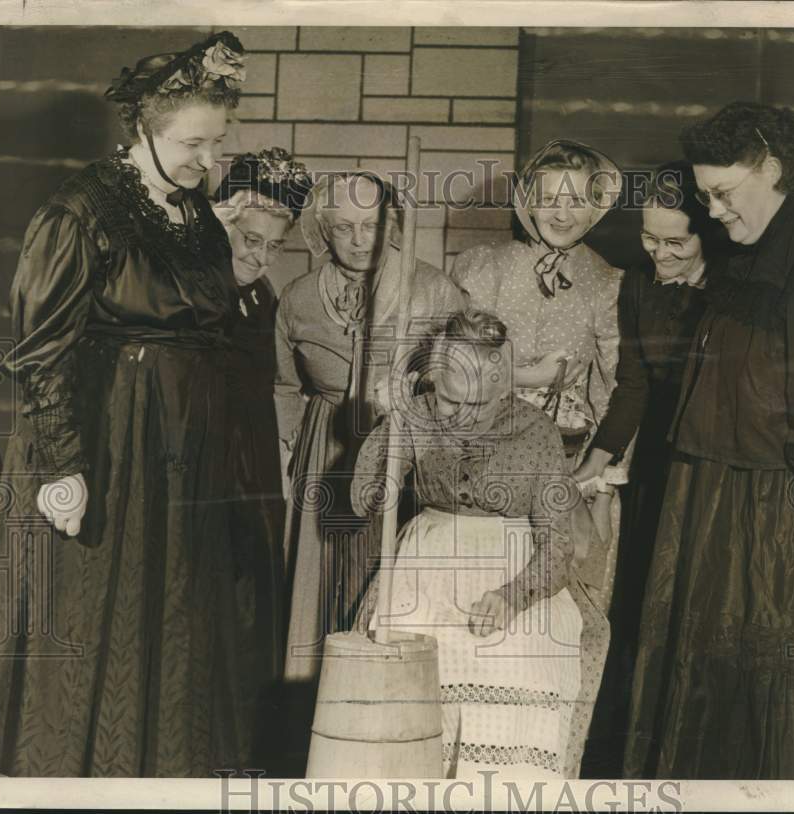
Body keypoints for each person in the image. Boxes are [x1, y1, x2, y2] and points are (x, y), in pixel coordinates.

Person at [0, 32, 254, 777]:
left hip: (183, 443)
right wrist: (64, 467)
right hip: (107, 437)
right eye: (194, 143)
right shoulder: (80, 211)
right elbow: (40, 351)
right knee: (97, 607)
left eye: (217, 144)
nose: (208, 161)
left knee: (177, 609)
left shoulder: (196, 217)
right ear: (146, 130)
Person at [624, 102, 794, 778]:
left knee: (780, 680)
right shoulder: (756, 244)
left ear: (772, 169)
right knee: (710, 677)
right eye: (705, 195)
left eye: (723, 192)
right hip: (718, 488)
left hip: (782, 499)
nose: (713, 210)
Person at [451, 139, 628, 774]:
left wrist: (602, 471)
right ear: (526, 198)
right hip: (481, 472)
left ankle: (542, 773)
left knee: (557, 630)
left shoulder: (608, 280)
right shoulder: (478, 267)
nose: (562, 211)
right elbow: (446, 366)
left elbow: (616, 381)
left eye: (579, 199)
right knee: (479, 625)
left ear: (599, 205)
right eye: (549, 197)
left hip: (570, 469)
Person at [351, 309, 584, 780]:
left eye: (470, 404)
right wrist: (385, 434)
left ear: (501, 384)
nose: (453, 415)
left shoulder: (536, 429)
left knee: (515, 663)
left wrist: (513, 597)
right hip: (425, 568)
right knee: (409, 671)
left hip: (515, 578)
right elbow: (363, 502)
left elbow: (559, 542)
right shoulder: (417, 414)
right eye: (446, 398)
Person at [275, 171, 466, 682]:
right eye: (344, 228)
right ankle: (308, 700)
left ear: (395, 224)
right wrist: (285, 455)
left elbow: (465, 384)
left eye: (372, 225)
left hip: (403, 449)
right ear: (323, 231)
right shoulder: (296, 298)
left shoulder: (434, 291)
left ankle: (379, 693)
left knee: (384, 581)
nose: (361, 240)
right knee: (318, 578)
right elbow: (282, 387)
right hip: (323, 448)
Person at [572, 161, 725, 771]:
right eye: (648, 238)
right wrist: (591, 466)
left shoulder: (735, 287)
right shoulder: (638, 285)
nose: (658, 252)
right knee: (642, 599)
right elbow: (632, 386)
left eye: (675, 242)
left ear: (706, 236)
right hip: (657, 461)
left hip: (714, 459)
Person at [211, 147, 312, 764]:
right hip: (202, 464)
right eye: (249, 239)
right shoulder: (191, 289)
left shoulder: (264, 295)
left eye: (273, 245)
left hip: (252, 465)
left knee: (251, 600)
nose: (259, 256)